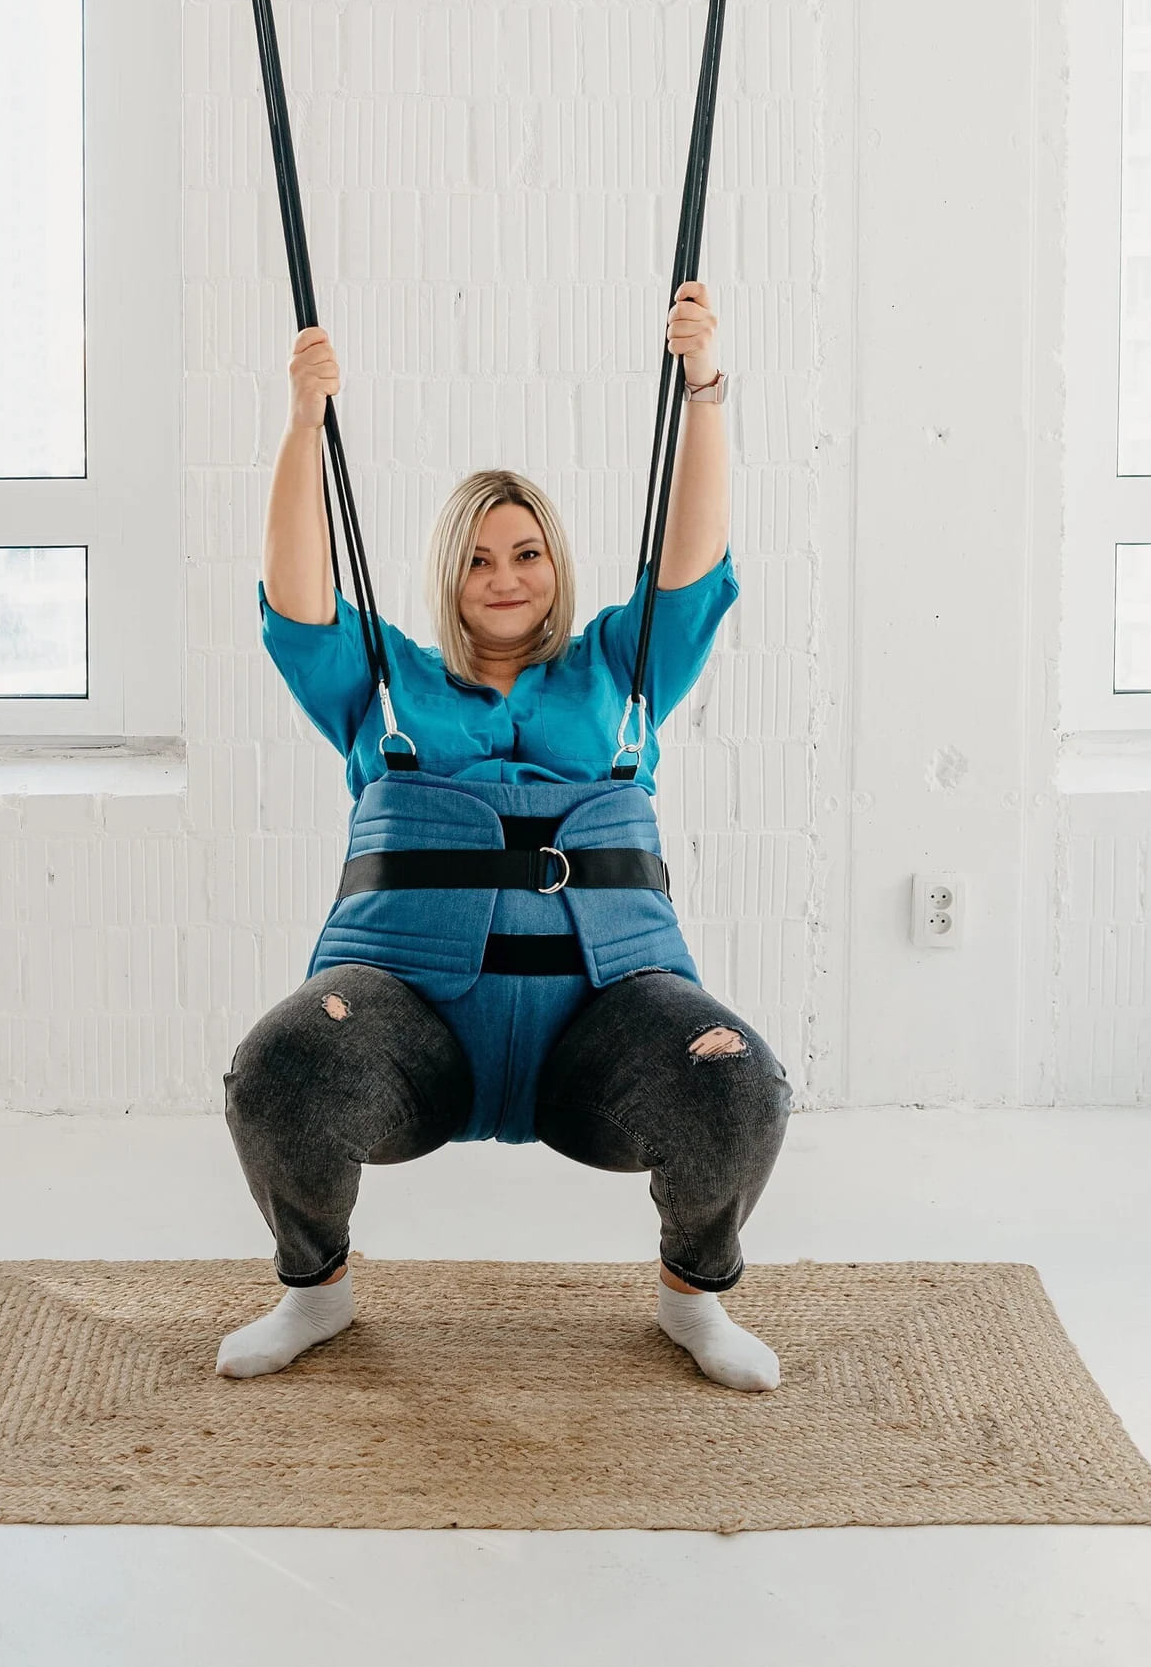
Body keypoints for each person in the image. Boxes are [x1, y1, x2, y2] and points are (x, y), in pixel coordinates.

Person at [218, 282, 791, 1391]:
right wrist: (301, 425)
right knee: (278, 1064)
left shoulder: (619, 673)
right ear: (449, 575)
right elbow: (295, 599)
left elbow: (693, 560)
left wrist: (704, 392)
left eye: (524, 552)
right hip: (409, 1022)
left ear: (554, 565)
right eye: (478, 558)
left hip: (606, 1020)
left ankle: (692, 1299)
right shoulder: (387, 685)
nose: (504, 578)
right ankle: (315, 1291)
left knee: (739, 1079)